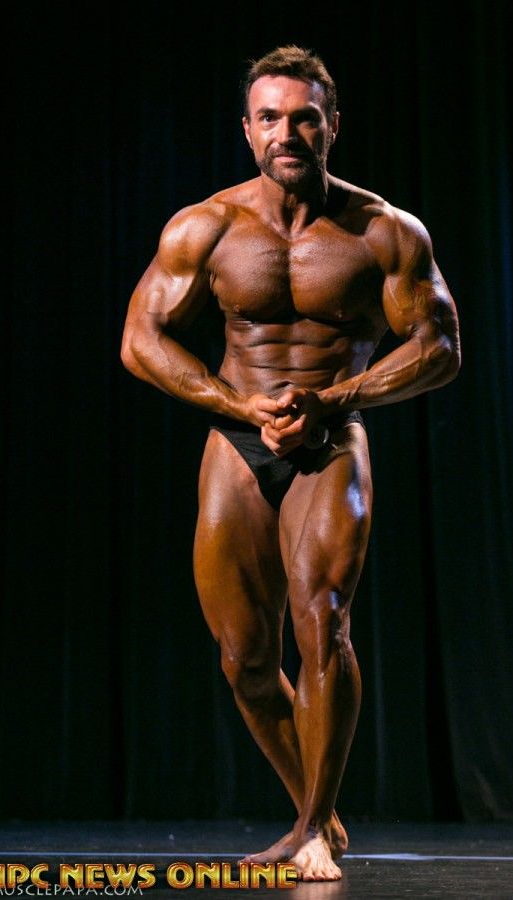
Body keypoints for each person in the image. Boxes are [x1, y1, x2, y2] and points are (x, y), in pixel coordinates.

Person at [121, 45, 460, 881]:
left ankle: (310, 827)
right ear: (247, 130)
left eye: (304, 117)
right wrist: (240, 408)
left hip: (331, 441)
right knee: (243, 658)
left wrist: (334, 399)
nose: (287, 133)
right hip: (237, 438)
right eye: (269, 118)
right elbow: (140, 340)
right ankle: (319, 814)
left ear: (332, 125)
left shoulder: (384, 231)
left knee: (323, 622)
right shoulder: (206, 226)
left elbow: (441, 348)